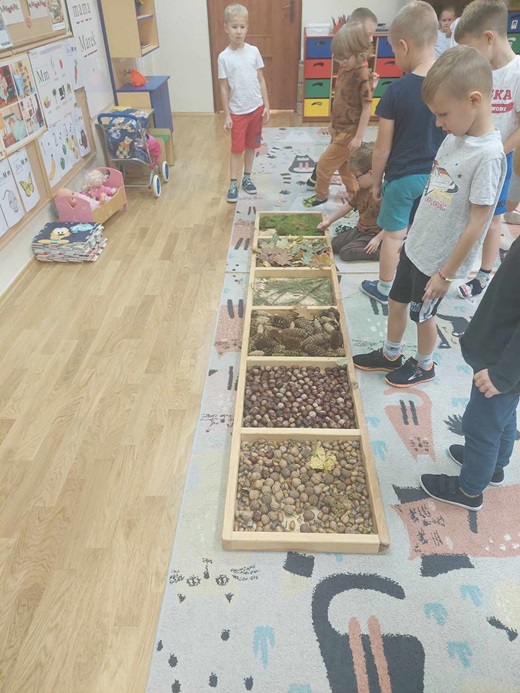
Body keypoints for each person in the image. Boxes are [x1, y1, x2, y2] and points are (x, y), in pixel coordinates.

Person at [353, 46, 506, 388]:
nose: (438, 123)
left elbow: (477, 224)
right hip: (417, 244)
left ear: (474, 100)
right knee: (396, 301)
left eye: (443, 114)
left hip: (439, 261)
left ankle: (425, 365)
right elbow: (435, 192)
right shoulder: (455, 136)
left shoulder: (488, 156)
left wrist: (446, 274)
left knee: (423, 316)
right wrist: (409, 234)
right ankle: (390, 353)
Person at [421, 235, 520, 511]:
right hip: (500, 347)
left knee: (481, 425)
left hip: (502, 363)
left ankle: (469, 489)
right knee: (503, 415)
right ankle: (494, 466)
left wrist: (503, 375)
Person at [359, 2, 445, 306]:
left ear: (404, 46)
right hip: (439, 178)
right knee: (425, 233)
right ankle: (422, 287)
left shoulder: (396, 91)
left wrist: (376, 183)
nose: (395, 58)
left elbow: (382, 148)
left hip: (402, 178)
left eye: (394, 51)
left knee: (394, 235)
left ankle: (385, 288)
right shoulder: (450, 84)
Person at [455, 0, 520, 298]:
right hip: (472, 153)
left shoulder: (517, 72)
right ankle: (458, 261)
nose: (469, 56)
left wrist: (496, 154)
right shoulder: (481, 70)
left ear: (489, 37)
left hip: (498, 159)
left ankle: (483, 273)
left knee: (493, 220)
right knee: (467, 213)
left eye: (471, 48)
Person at [306, 8, 378, 192]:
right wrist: (333, 122)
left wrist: (359, 136)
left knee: (332, 160)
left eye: (372, 35)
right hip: (340, 125)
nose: (371, 40)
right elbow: (342, 96)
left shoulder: (360, 68)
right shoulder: (347, 64)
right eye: (368, 35)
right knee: (342, 162)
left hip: (349, 129)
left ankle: (322, 187)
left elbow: (365, 104)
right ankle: (354, 195)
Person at [218, 3, 270, 204]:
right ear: (226, 28)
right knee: (237, 149)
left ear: (247, 27)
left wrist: (266, 105)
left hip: (256, 108)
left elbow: (261, 79)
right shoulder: (224, 57)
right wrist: (227, 115)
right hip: (238, 112)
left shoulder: (254, 51)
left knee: (252, 146)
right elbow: (224, 88)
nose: (238, 31)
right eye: (234, 27)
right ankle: (234, 182)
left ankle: (247, 177)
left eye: (242, 27)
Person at [318, 142, 383, 261]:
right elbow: (347, 206)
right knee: (333, 245)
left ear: (371, 173)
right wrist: (329, 221)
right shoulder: (362, 189)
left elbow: (393, 224)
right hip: (360, 230)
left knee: (346, 252)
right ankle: (360, 243)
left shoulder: (383, 195)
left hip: (375, 235)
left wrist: (377, 239)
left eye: (357, 176)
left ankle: (381, 253)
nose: (356, 180)